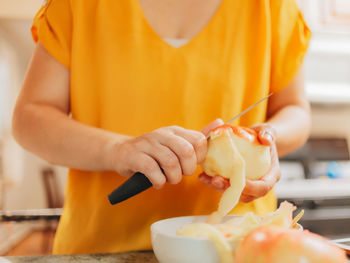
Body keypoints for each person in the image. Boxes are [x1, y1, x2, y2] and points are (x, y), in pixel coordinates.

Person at [12, 0, 311, 254]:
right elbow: (30, 117)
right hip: (104, 248)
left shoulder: (272, 6)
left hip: (238, 247)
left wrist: (269, 139)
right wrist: (117, 150)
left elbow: (294, 110)